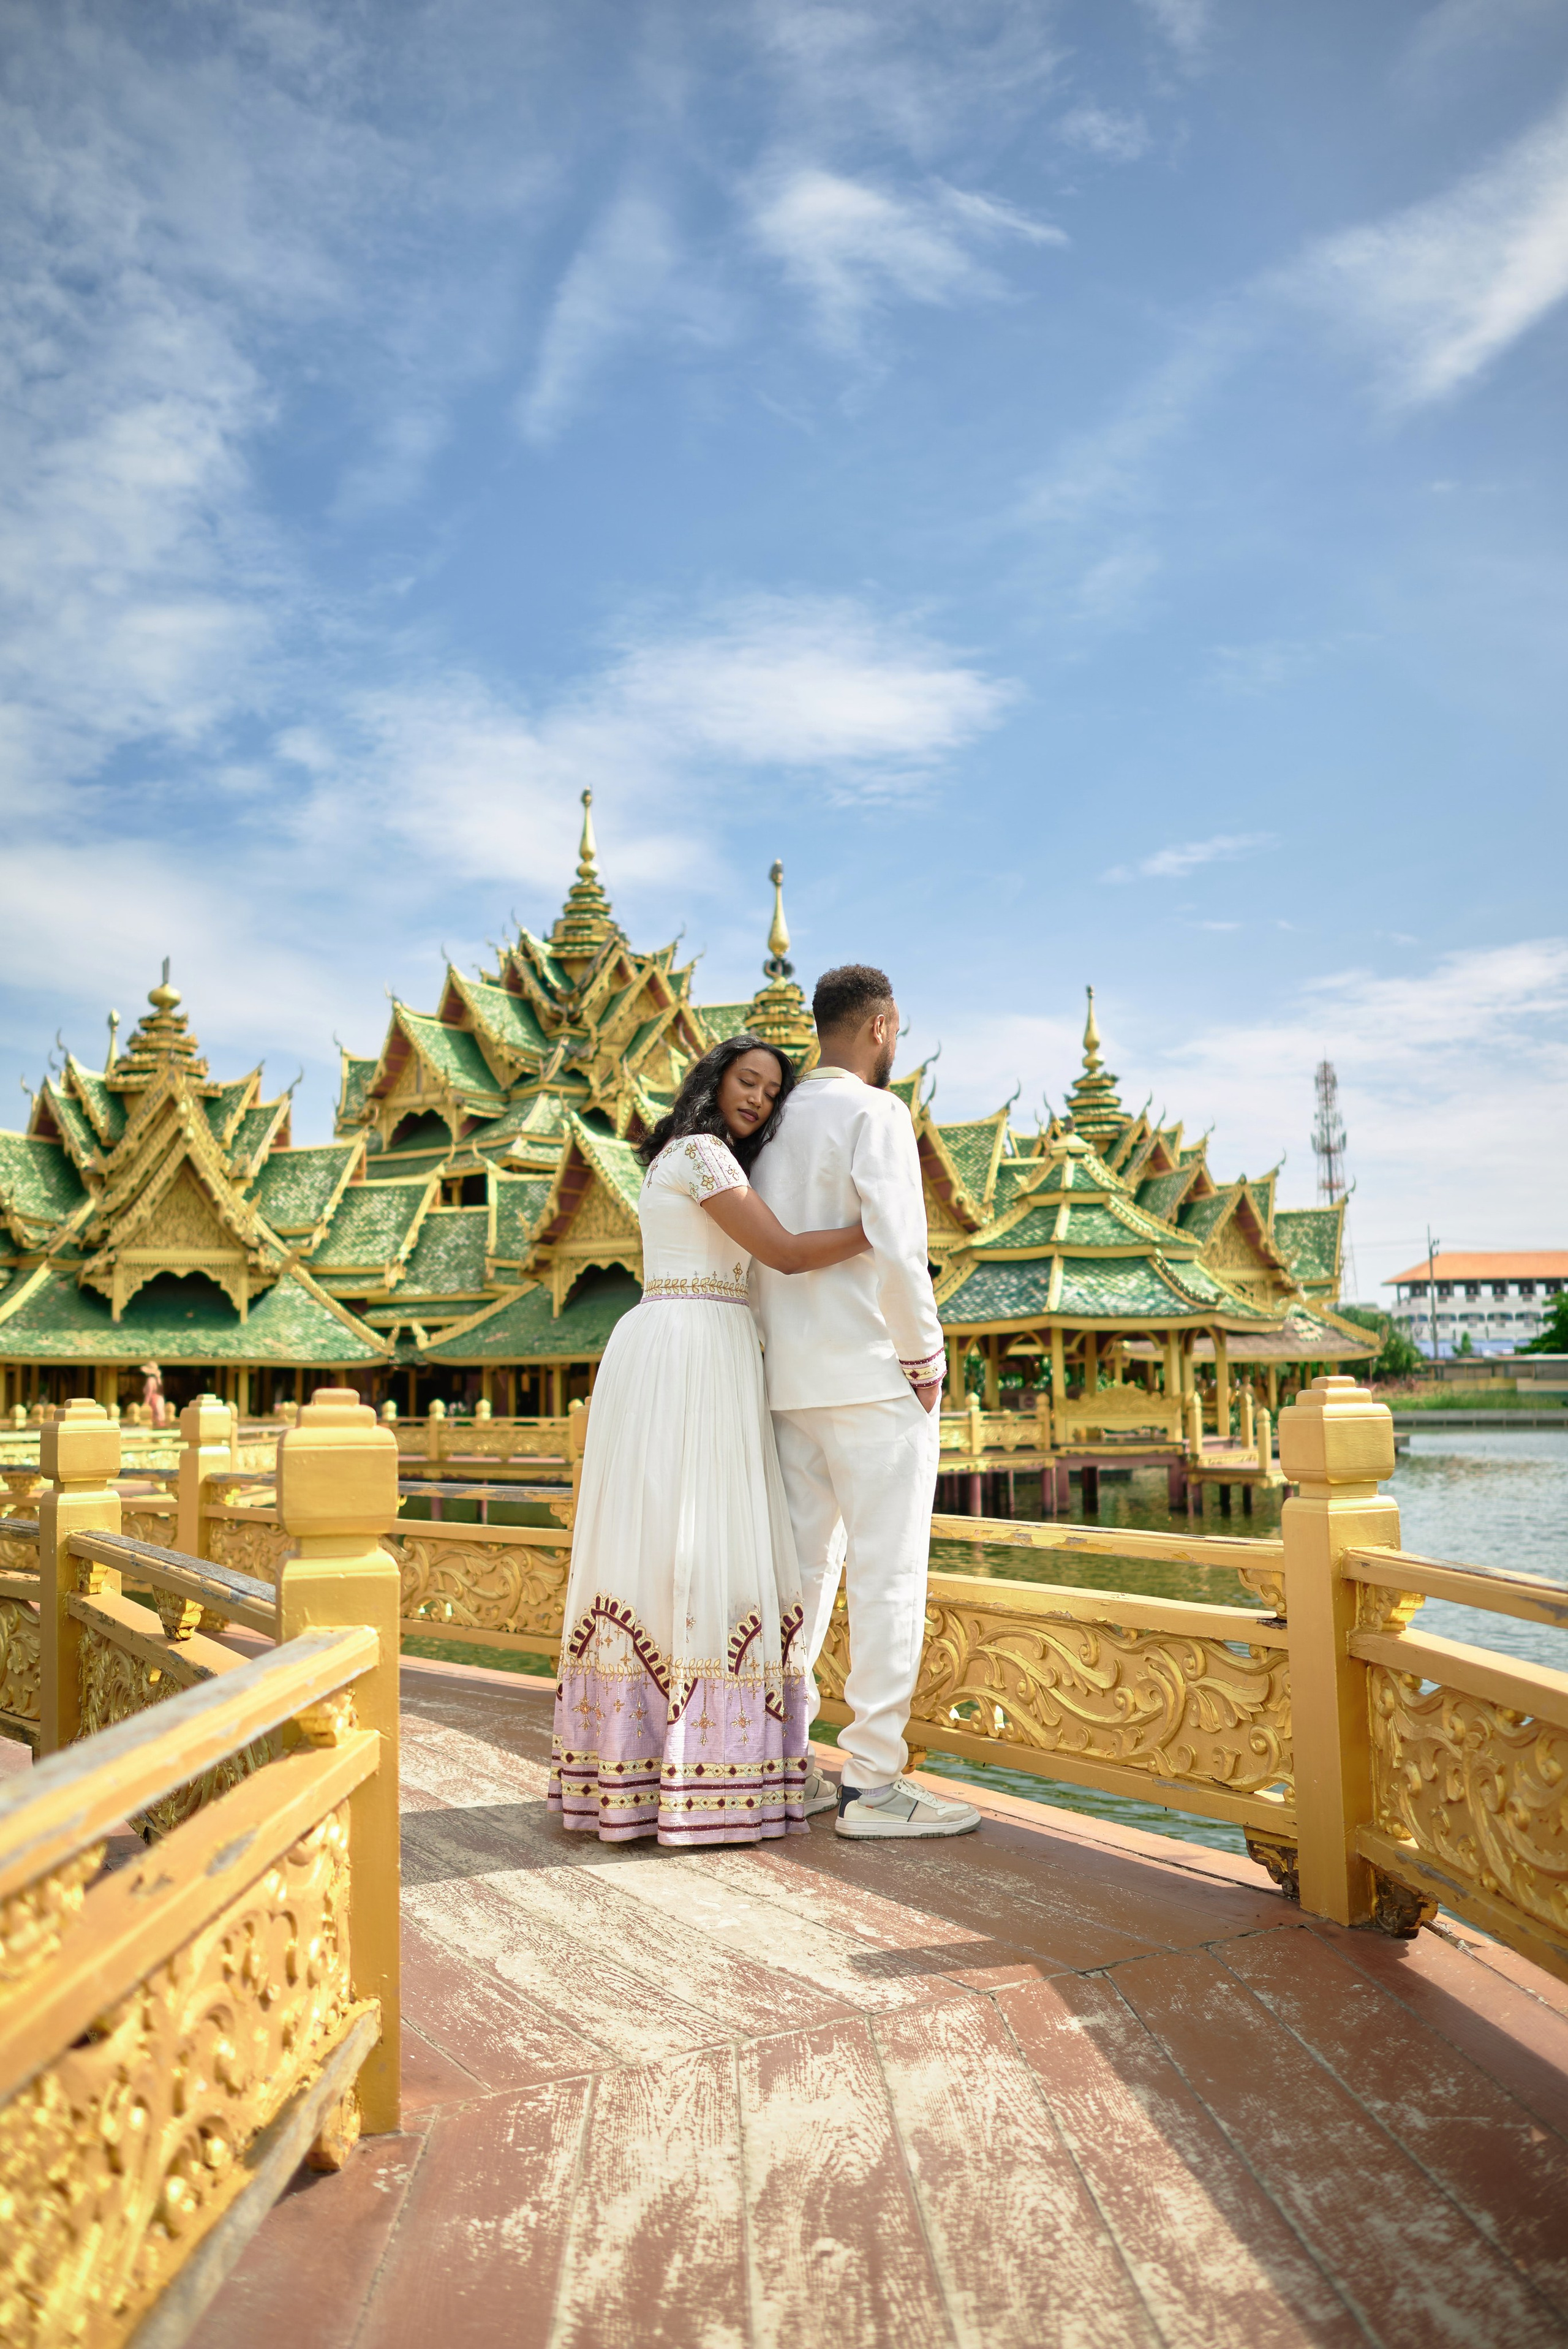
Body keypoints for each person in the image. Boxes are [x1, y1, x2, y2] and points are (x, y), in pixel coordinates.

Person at [549, 1033, 870, 1845]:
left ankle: (662, 1771)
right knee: (691, 1542)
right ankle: (692, 1776)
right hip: (692, 1349)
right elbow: (789, 1255)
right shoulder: (701, 1155)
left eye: (771, 1091)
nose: (758, 1098)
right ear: (715, 1082)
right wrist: (879, 1230)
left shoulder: (701, 1160)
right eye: (747, 1082)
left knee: (680, 1542)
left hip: (696, 1345)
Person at [750, 964, 981, 1840]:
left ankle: (782, 1760)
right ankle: (876, 1785)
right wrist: (926, 1354)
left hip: (791, 1385)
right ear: (882, 1028)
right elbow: (897, 1246)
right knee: (889, 1579)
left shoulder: (771, 1126)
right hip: (874, 1380)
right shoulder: (875, 1113)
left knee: (799, 1578)